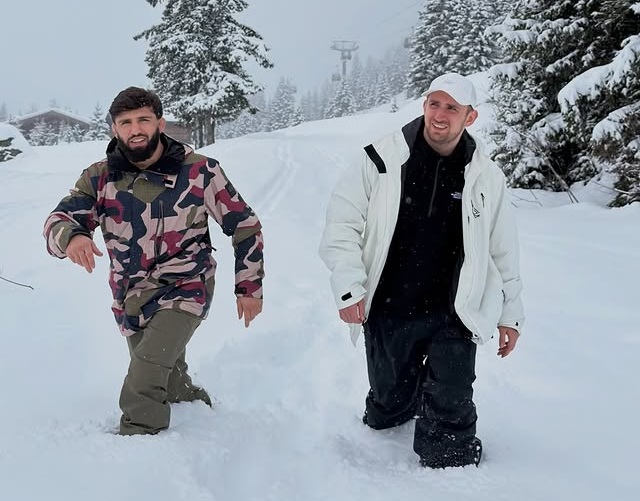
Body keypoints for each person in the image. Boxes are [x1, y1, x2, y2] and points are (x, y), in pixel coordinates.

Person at [319, 73, 524, 468]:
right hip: (391, 303)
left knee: (451, 394)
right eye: (434, 104)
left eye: (452, 108)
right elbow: (342, 223)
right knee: (389, 406)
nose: (440, 115)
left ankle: (450, 459)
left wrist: (510, 315)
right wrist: (348, 287)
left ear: (470, 117)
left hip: (455, 308)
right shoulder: (380, 158)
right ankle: (398, 401)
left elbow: (503, 249)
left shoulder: (486, 176)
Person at [43, 87, 264, 436]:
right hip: (130, 294)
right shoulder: (99, 177)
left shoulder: (201, 171)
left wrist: (248, 288)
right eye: (126, 122)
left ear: (160, 123)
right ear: (115, 129)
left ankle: (140, 440)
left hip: (187, 285)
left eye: (143, 119)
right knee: (167, 376)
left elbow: (245, 226)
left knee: (145, 374)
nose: (136, 129)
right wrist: (72, 237)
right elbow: (59, 219)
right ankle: (190, 403)